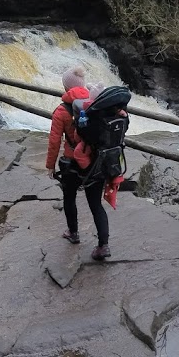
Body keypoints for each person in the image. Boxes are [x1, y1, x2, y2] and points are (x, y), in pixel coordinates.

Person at [46, 67, 111, 260]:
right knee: (95, 204)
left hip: (71, 162)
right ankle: (103, 246)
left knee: (69, 196)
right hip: (96, 161)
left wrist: (50, 165)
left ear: (66, 87)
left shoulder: (61, 110)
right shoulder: (97, 103)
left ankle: (73, 233)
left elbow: (54, 140)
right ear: (83, 86)